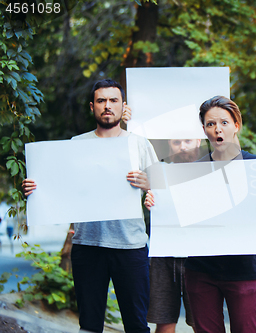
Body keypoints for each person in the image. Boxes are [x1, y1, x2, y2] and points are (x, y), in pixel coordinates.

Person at [22, 79, 157, 333]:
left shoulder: (138, 144)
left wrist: (149, 185)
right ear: (92, 107)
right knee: (89, 325)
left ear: (122, 106)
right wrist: (34, 188)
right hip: (87, 245)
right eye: (101, 101)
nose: (107, 106)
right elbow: (58, 187)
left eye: (113, 100)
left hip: (130, 245)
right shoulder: (76, 143)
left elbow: (160, 191)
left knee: (137, 325)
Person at [144, 95, 256, 333]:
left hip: (244, 272)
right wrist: (156, 203)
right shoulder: (191, 172)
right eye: (210, 124)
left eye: (223, 122)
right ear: (204, 130)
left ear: (236, 125)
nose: (217, 129)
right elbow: (176, 216)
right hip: (201, 273)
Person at [147, 138, 201, 333]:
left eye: (187, 141)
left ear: (198, 140)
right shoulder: (157, 172)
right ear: (169, 144)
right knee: (164, 321)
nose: (182, 146)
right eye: (176, 142)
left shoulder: (212, 169)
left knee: (202, 322)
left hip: (200, 257)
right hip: (164, 255)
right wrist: (149, 197)